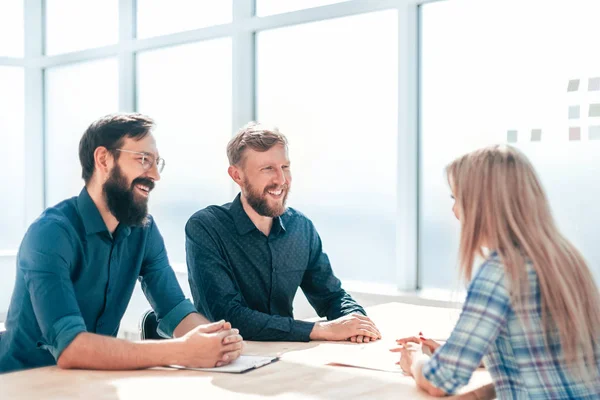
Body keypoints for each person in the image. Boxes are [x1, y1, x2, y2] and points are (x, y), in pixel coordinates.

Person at [0, 113, 243, 374]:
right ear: (103, 159)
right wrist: (184, 350)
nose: (154, 176)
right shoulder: (50, 234)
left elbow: (174, 310)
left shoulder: (143, 231)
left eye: (156, 162)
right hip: (22, 383)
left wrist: (217, 342)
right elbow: (71, 349)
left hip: (91, 382)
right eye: (142, 160)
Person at [392, 145, 600, 399]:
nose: (454, 212)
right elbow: (542, 354)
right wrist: (463, 353)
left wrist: (414, 359)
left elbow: (441, 381)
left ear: (481, 205)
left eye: (456, 198)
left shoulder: (499, 273)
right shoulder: (566, 259)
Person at [185, 122, 381, 343]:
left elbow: (331, 296)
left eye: (285, 167)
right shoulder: (206, 227)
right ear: (237, 176)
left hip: (282, 356)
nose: (281, 180)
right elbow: (228, 316)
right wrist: (320, 330)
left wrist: (357, 322)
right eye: (267, 169)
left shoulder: (301, 228)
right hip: (223, 357)